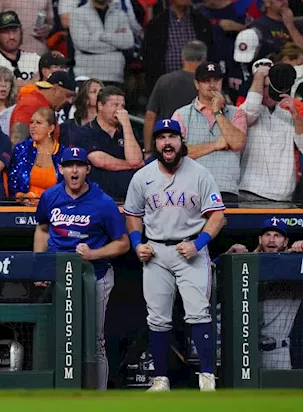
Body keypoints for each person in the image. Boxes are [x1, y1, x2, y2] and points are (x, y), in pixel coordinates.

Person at [123, 118, 226, 392]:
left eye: (172, 136)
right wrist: (137, 243)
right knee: (157, 318)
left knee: (198, 313)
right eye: (161, 137)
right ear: (155, 144)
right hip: (156, 251)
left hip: (189, 249)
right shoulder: (142, 177)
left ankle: (207, 379)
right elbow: (133, 215)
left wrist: (199, 242)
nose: (166, 142)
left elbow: (218, 216)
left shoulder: (200, 173)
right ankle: (160, 380)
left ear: (182, 141)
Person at [34, 146, 129, 390]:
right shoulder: (50, 196)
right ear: (61, 169)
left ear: (87, 169)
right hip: (59, 277)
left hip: (94, 277)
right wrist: (40, 267)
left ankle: (97, 398)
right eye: (68, 165)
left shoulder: (103, 202)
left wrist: (94, 253)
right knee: (57, 336)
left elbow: (123, 243)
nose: (73, 170)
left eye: (78, 165)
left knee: (94, 340)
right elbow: (43, 229)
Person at [226, 218, 304, 370]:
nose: (272, 239)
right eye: (267, 234)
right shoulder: (245, 265)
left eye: (277, 235)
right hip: (247, 351)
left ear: (285, 241)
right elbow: (210, 277)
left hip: (278, 350)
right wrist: (227, 256)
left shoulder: (293, 266)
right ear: (260, 240)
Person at [172, 61, 247, 202]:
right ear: (196, 84)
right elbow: (175, 154)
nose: (212, 85)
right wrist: (214, 145)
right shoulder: (181, 114)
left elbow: (237, 144)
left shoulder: (237, 113)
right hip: (191, 189)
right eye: (206, 81)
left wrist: (218, 112)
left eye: (216, 80)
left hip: (226, 189)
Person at [239, 63, 304, 202]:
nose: (267, 92)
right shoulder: (244, 111)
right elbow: (252, 109)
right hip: (251, 191)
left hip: (284, 197)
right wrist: (259, 76)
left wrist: (296, 115)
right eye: (263, 86)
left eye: (270, 87)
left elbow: (303, 144)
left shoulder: (289, 115)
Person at [70, 0, 134, 88]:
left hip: (115, 78)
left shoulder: (120, 14)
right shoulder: (77, 14)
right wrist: (115, 43)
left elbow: (128, 41)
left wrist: (100, 36)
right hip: (85, 79)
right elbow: (83, 43)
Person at [144, 40, 207, 157]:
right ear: (204, 60)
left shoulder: (164, 81)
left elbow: (150, 116)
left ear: (182, 58)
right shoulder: (206, 86)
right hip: (198, 150)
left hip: (165, 148)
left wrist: (148, 151)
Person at [86, 86, 144, 201]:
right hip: (96, 198)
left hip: (128, 199)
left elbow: (136, 160)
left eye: (122, 106)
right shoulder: (87, 131)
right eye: (115, 105)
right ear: (100, 106)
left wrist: (126, 125)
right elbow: (100, 161)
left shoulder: (128, 132)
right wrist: (130, 165)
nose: (120, 110)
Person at [9, 107, 63, 205]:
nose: (32, 126)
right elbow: (12, 182)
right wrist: (21, 197)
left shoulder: (63, 154)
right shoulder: (21, 149)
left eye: (38, 123)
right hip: (24, 209)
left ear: (51, 128)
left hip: (55, 210)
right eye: (31, 122)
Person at [0, 11, 41, 91]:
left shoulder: (35, 59)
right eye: (6, 32)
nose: (12, 36)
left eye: (15, 31)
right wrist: (32, 83)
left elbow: (48, 90)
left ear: (21, 31)